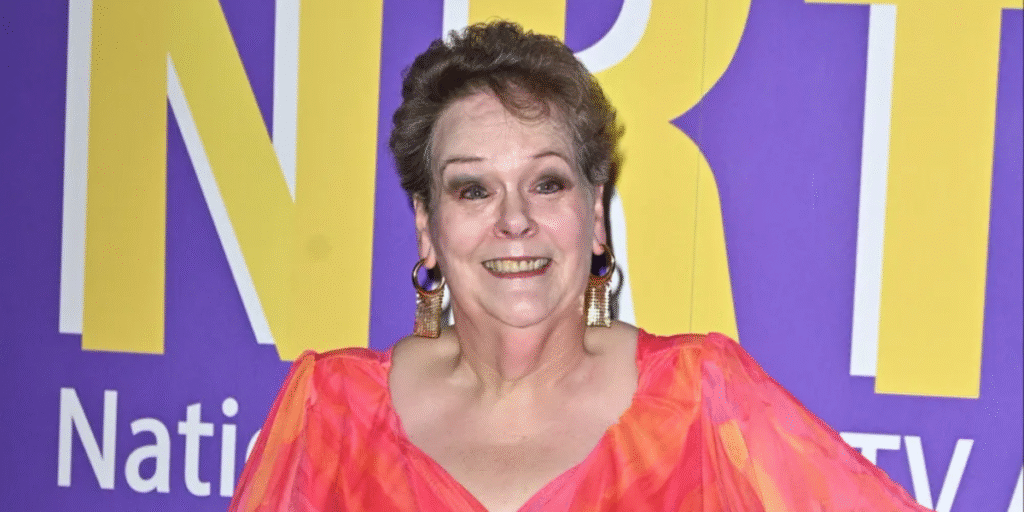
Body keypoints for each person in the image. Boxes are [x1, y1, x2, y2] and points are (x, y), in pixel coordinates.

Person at [230, 21, 931, 512]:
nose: (514, 219)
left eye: (547, 183)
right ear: (427, 227)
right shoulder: (331, 414)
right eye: (473, 189)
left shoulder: (700, 402)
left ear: (594, 214)